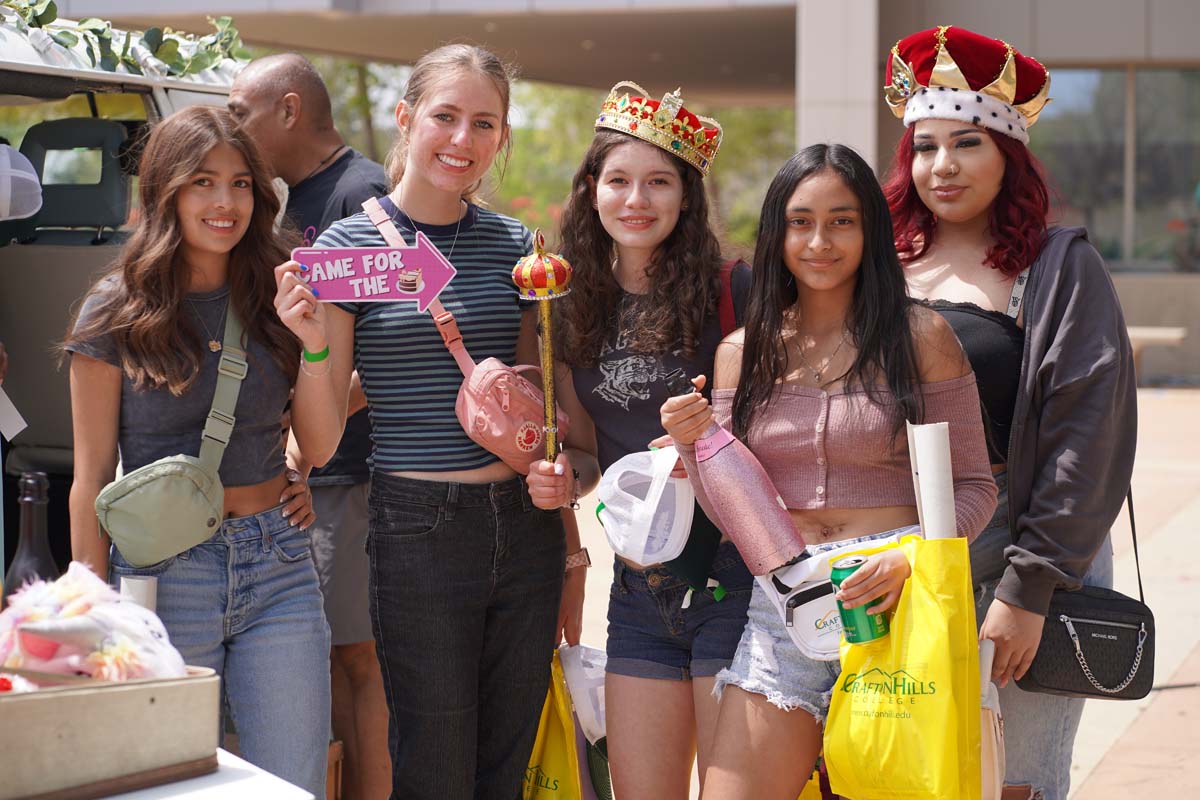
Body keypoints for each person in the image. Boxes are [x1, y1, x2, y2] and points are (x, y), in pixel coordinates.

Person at [271, 44, 585, 800]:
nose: (462, 140)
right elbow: (318, 440)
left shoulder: (520, 251)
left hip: (526, 531)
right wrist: (313, 345)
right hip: (419, 530)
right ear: (407, 118)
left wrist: (560, 470)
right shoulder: (342, 251)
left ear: (502, 138)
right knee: (435, 766)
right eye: (446, 116)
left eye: (484, 124)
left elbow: (548, 412)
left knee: (507, 764)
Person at [660, 143, 997, 799]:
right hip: (788, 604)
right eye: (801, 221)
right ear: (777, 233)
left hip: (898, 607)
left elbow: (975, 485)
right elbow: (729, 509)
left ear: (870, 229)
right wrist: (690, 447)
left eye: (842, 220)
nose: (820, 240)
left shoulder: (921, 337)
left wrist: (912, 560)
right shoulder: (741, 353)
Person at [880, 26, 1138, 800]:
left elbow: (1086, 435)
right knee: (894, 769)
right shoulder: (878, 264)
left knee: (1014, 781)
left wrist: (1029, 589)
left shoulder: (1058, 268)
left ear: (1009, 157)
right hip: (894, 557)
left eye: (968, 144)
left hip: (1024, 554)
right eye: (925, 147)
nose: (944, 166)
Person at [63, 106, 330, 797]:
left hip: (279, 563)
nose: (225, 202)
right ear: (166, 191)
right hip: (161, 576)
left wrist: (317, 346)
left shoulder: (280, 293)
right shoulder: (113, 309)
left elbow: (313, 435)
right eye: (203, 182)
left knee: (290, 782)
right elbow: (90, 476)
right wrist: (95, 618)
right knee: (168, 781)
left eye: (242, 184)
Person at [526, 81, 752, 797]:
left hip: (736, 577)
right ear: (590, 190)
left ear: (686, 197)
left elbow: (779, 428)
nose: (637, 200)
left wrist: (709, 443)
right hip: (638, 588)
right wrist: (566, 478)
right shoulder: (564, 303)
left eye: (659, 183)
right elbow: (588, 453)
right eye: (618, 180)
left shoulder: (736, 289)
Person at [229, 53, 392, 799]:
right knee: (329, 659)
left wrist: (303, 440)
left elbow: (395, 352)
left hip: (349, 475)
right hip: (316, 473)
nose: (233, 131)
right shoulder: (298, 199)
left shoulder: (363, 197)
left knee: (360, 660)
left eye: (241, 113)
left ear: (289, 109)